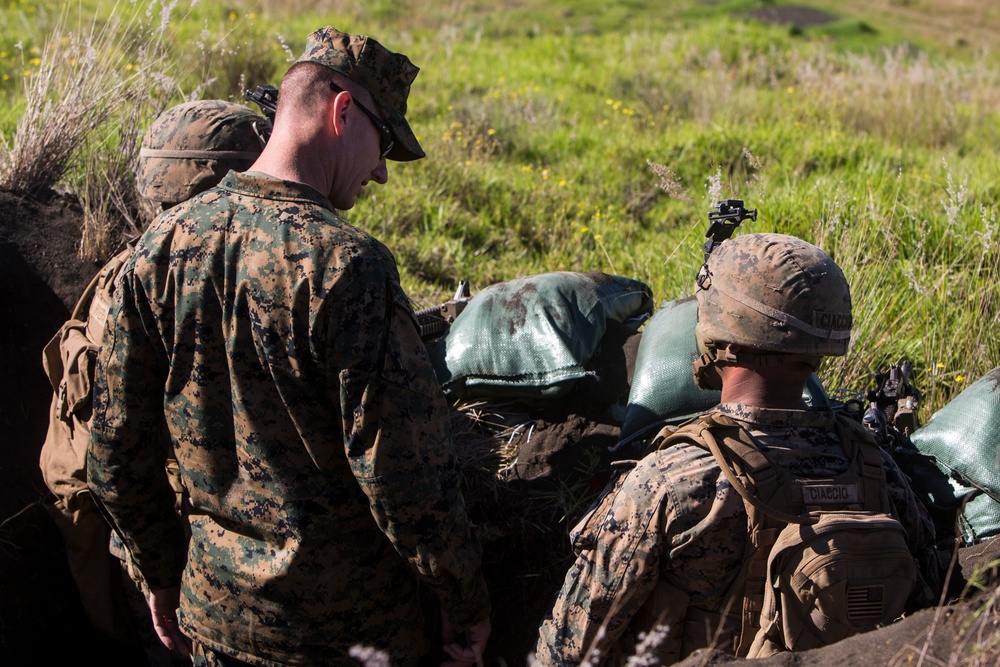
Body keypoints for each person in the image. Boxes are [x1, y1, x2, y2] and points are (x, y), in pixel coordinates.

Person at [86, 25, 492, 667]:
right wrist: (464, 599)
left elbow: (115, 447)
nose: (383, 171)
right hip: (345, 637)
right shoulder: (348, 267)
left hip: (214, 624)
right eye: (384, 142)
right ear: (341, 110)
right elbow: (403, 475)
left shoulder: (161, 246)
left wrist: (160, 575)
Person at [534, 233, 943, 666]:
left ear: (722, 339)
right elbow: (928, 604)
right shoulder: (875, 467)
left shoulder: (673, 479)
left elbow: (568, 646)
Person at [40, 98, 269, 666]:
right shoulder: (164, 288)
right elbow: (126, 457)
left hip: (152, 542)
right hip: (171, 553)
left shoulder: (136, 268)